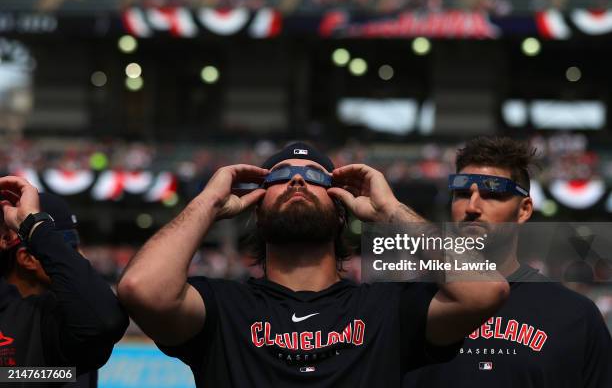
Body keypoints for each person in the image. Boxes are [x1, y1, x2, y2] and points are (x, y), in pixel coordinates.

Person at [118, 142, 510, 387]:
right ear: (255, 210)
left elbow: (484, 290)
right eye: (282, 176)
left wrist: (390, 210)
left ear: (341, 211)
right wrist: (207, 202)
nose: (297, 182)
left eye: (314, 178)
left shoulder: (387, 310)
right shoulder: (220, 308)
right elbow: (141, 289)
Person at [403, 136, 612, 388]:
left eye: (492, 194)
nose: (472, 206)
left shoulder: (576, 317)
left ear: (523, 210)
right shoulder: (405, 305)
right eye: (461, 194)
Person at [0, 177, 128, 385]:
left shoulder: (71, 327)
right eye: (70, 247)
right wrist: (34, 227)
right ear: (26, 258)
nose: (80, 258)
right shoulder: (31, 321)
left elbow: (106, 322)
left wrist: (34, 226)